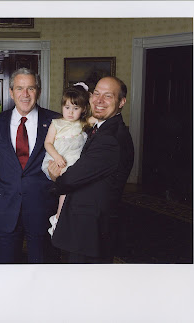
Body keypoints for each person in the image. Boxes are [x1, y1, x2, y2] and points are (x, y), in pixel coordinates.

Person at [48, 76, 134, 264]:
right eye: (96, 94)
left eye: (108, 96)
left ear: (121, 102)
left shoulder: (110, 139)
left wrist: (56, 177)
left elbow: (70, 180)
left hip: (89, 232)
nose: (99, 100)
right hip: (89, 228)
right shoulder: (103, 129)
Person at [0, 68, 61, 263]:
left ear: (39, 91)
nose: (25, 94)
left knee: (42, 265)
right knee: (6, 266)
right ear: (11, 92)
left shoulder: (56, 121)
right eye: (20, 88)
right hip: (6, 206)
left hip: (41, 206)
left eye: (31, 88)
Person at [41, 82, 95, 236]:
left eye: (76, 108)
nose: (70, 112)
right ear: (62, 107)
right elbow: (48, 143)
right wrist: (57, 157)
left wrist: (89, 98)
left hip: (74, 160)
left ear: (83, 109)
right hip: (59, 159)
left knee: (75, 192)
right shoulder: (56, 123)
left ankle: (65, 220)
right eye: (67, 107)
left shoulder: (83, 123)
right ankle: (58, 218)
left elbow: (97, 116)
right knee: (65, 189)